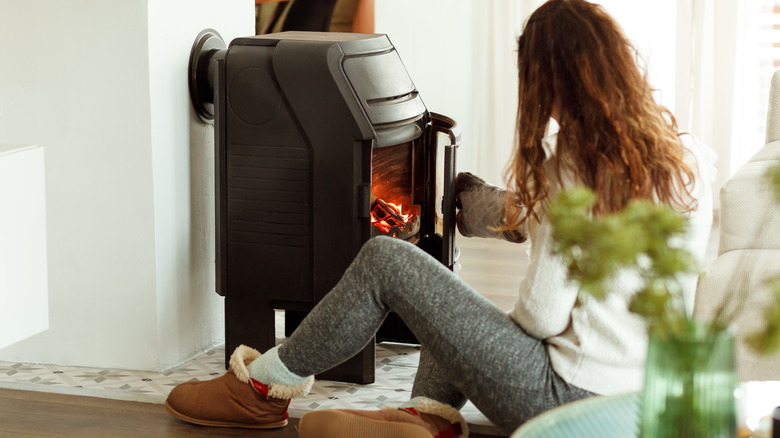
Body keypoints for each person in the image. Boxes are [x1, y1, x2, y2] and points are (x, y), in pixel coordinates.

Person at [164, 0, 716, 436]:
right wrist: (465, 319)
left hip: (567, 404)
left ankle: (259, 391)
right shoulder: (687, 157)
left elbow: (545, 316)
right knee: (449, 302)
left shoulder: (573, 164)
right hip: (643, 404)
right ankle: (428, 420)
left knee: (386, 257)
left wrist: (475, 330)